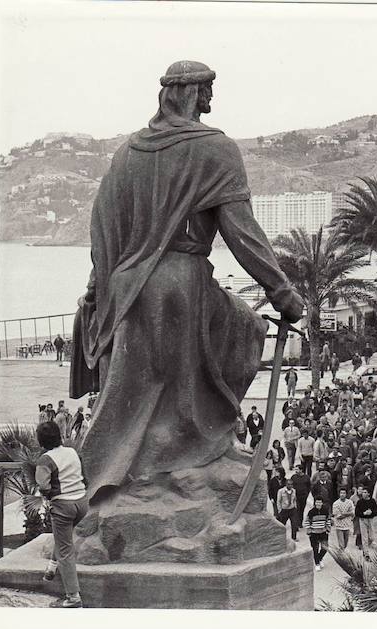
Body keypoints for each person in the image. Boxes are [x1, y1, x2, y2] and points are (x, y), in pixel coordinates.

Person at [69, 62, 304, 509]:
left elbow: (103, 233)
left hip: (127, 286)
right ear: (191, 93)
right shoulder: (215, 149)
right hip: (181, 280)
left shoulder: (127, 154)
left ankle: (154, 464)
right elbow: (240, 230)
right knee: (244, 330)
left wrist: (101, 291)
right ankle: (195, 451)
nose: (212, 101)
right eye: (208, 91)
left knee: (146, 384)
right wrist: (281, 291)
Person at [36, 421, 88, 608]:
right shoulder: (72, 452)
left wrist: (48, 494)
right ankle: (51, 568)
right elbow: (84, 474)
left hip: (63, 507)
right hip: (82, 503)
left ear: (41, 441)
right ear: (59, 436)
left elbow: (43, 485)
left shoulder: (45, 460)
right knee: (63, 538)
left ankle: (73, 597)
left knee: (66, 552)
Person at [304, 496, 332, 571]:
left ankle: (319, 559)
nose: (318, 503)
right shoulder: (311, 512)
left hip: (323, 532)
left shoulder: (325, 511)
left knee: (325, 548)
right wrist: (309, 531)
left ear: (322, 503)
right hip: (314, 533)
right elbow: (307, 522)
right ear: (315, 503)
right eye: (317, 502)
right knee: (315, 549)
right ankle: (317, 564)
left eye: (320, 502)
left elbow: (328, 520)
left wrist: (328, 529)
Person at [354, 486, 377, 559]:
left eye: (365, 492)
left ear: (368, 493)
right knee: (364, 537)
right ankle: (366, 553)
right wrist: (363, 513)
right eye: (363, 492)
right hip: (362, 520)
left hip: (371, 520)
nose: (363, 494)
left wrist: (371, 512)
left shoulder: (372, 501)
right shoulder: (360, 502)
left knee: (371, 536)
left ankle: (371, 550)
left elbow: (376, 511)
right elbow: (357, 512)